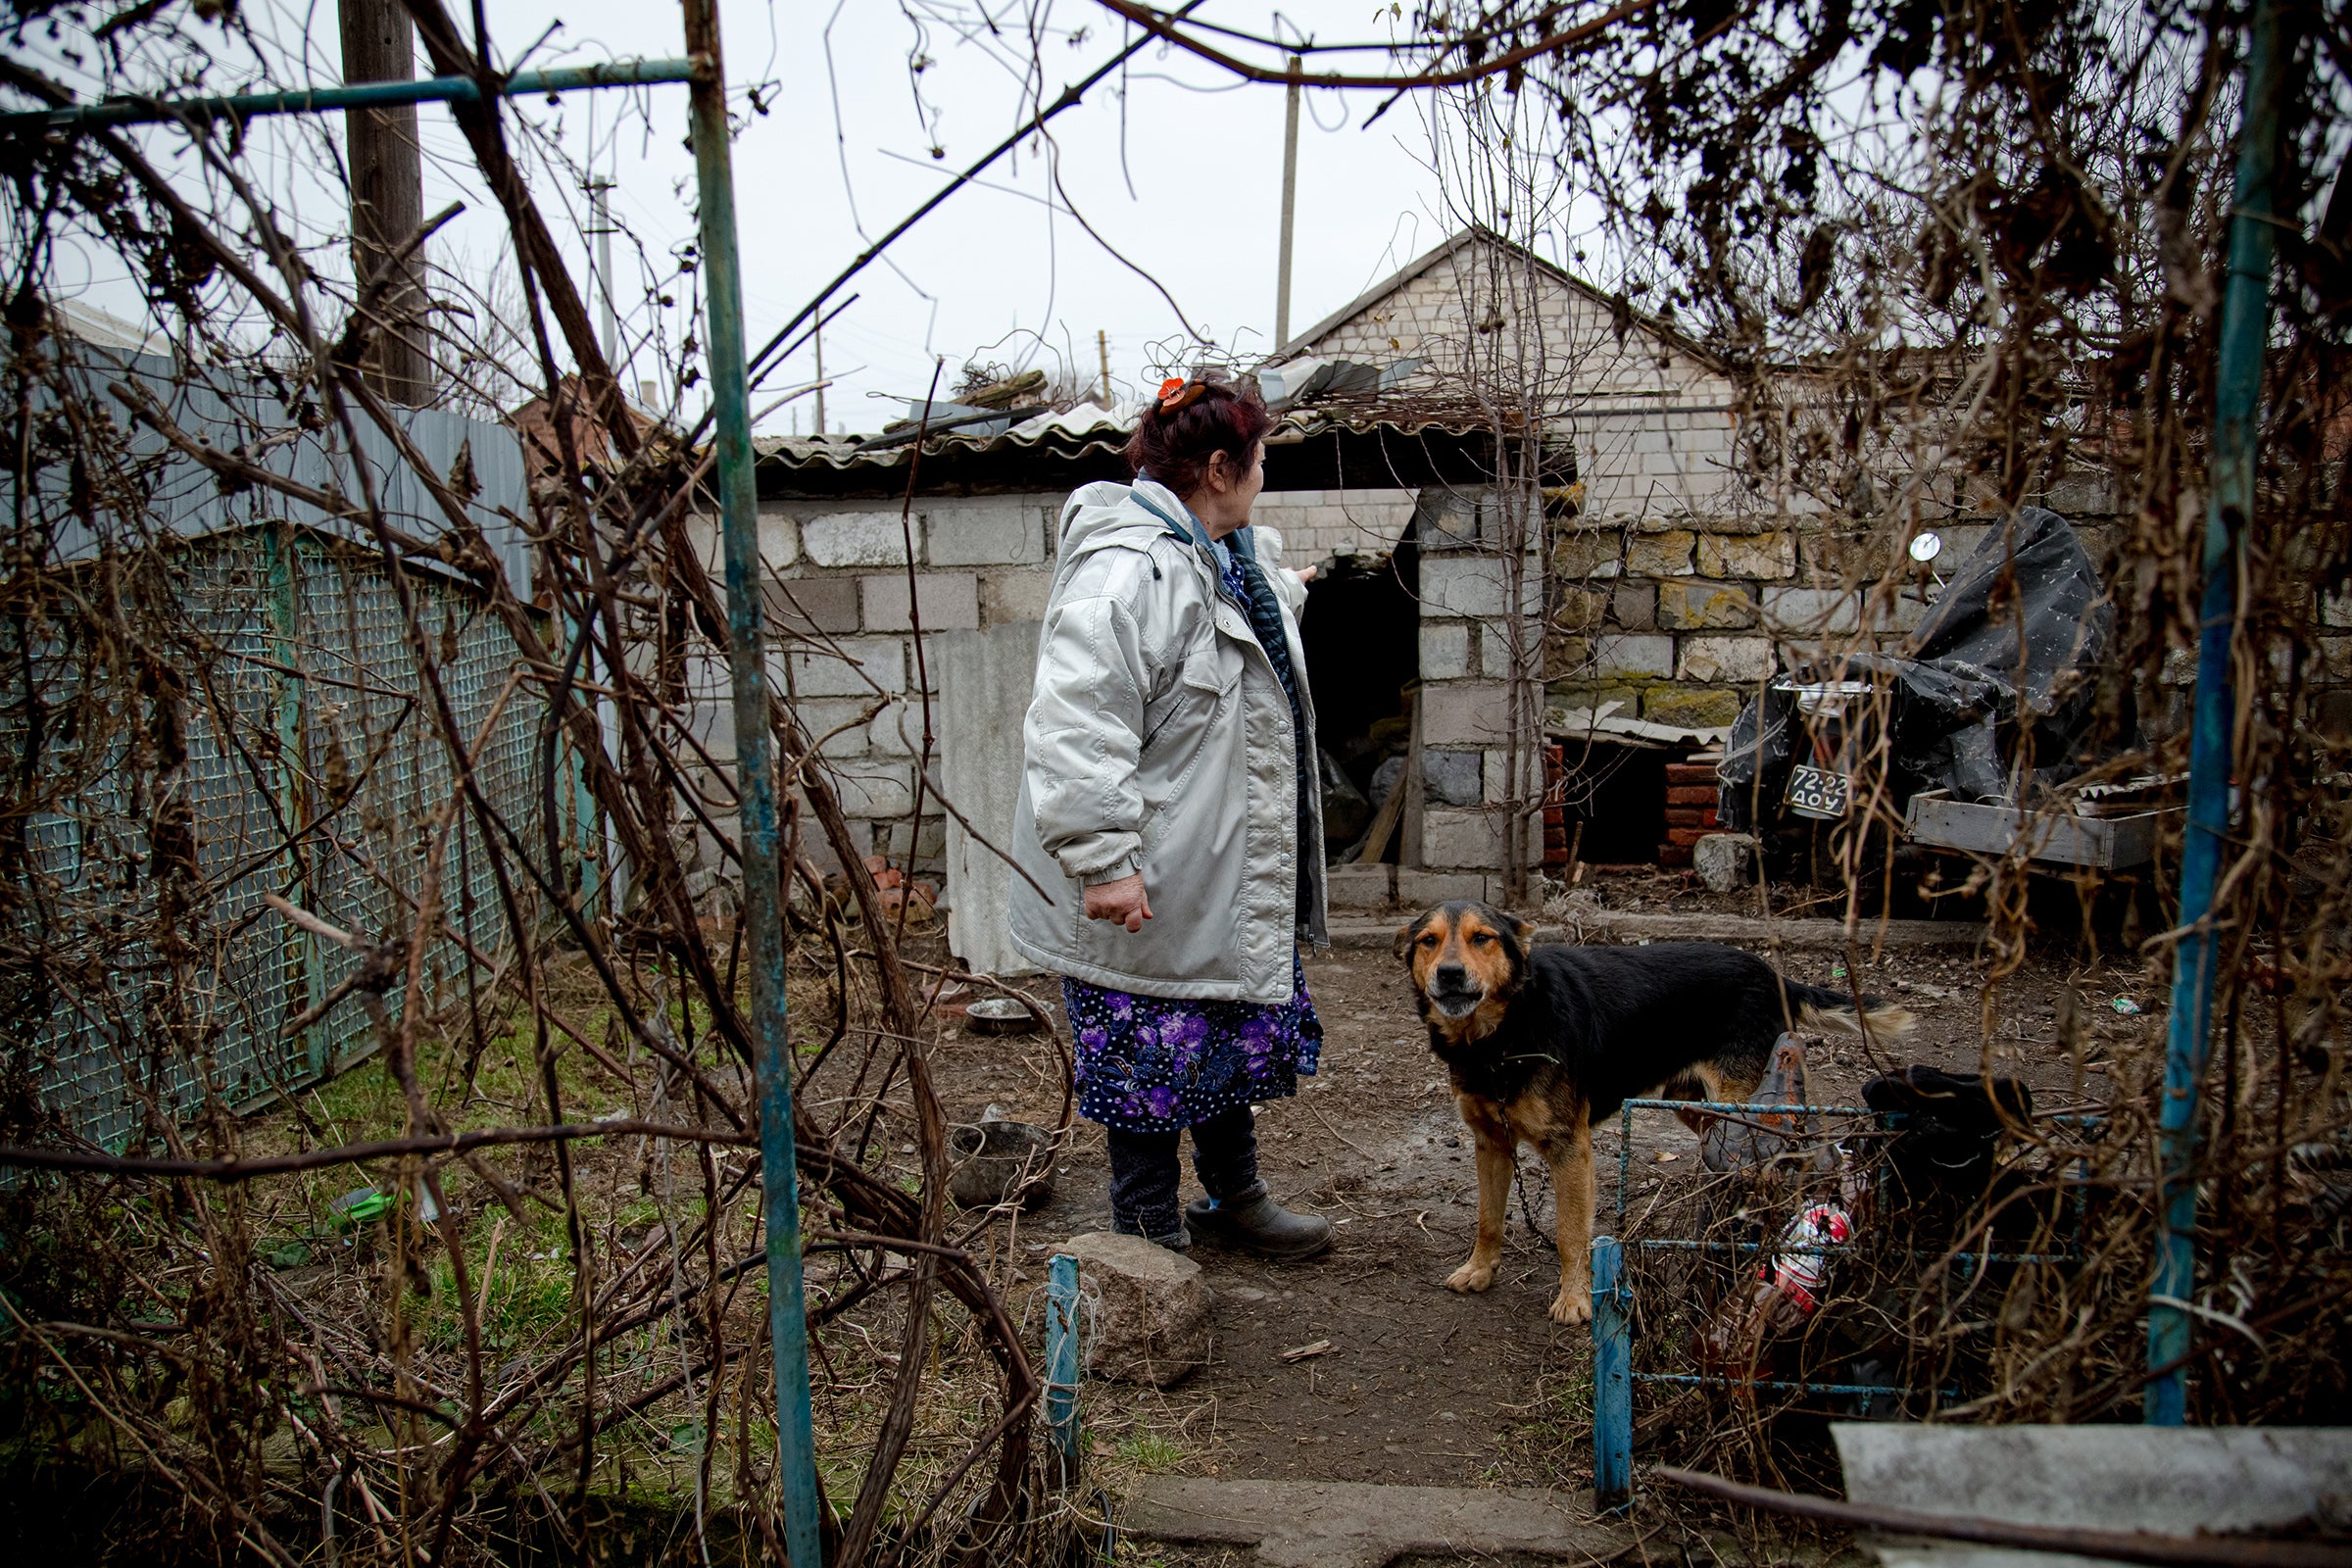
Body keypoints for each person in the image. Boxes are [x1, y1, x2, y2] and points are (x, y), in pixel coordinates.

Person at [1007, 374, 1332, 1258]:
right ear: (1220, 468)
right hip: (1148, 875)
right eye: (1260, 461)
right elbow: (1077, 720)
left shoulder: (1212, 553)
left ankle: (1235, 1199)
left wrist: (1290, 590)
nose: (1265, 477)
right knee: (1150, 1057)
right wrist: (1105, 858)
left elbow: (1232, 619)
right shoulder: (1127, 571)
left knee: (1219, 1032)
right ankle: (1145, 1240)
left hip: (1210, 868)